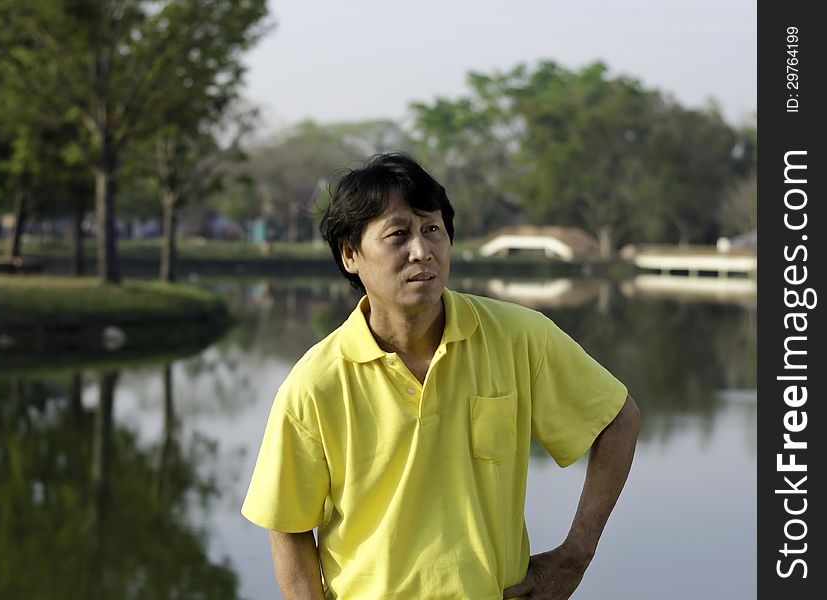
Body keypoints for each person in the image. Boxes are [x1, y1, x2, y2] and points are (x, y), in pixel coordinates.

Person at [241, 152, 641, 599]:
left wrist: (574, 555)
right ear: (351, 255)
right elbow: (289, 530)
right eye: (398, 234)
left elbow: (617, 420)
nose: (422, 250)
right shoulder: (315, 383)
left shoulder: (519, 337)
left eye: (432, 229)